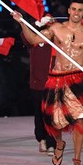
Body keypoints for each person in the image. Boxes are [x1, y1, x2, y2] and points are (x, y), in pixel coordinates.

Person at [11, 0, 83, 165]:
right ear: (68, 11)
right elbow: (34, 40)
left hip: (79, 79)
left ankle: (77, 159)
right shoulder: (56, 29)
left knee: (81, 119)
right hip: (57, 78)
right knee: (54, 122)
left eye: (80, 10)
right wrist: (21, 22)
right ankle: (59, 144)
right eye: (73, 9)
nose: (76, 13)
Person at [20, 21, 56, 156]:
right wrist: (28, 23)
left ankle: (51, 142)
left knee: (51, 114)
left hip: (52, 83)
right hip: (36, 83)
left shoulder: (56, 41)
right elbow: (24, 37)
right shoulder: (33, 40)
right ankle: (41, 139)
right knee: (39, 113)